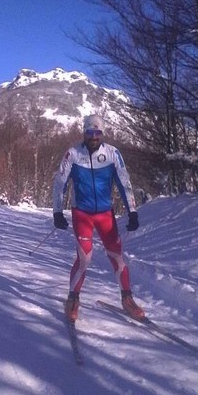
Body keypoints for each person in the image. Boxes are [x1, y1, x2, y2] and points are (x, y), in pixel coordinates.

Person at [52, 114, 144, 322]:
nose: (93, 136)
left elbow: (124, 183)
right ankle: (73, 298)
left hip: (105, 214)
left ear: (102, 134)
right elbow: (60, 183)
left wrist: (132, 211)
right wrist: (57, 212)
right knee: (85, 258)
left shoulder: (112, 154)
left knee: (117, 256)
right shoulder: (73, 154)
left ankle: (127, 298)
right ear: (84, 132)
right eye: (89, 132)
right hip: (82, 213)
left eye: (97, 132)